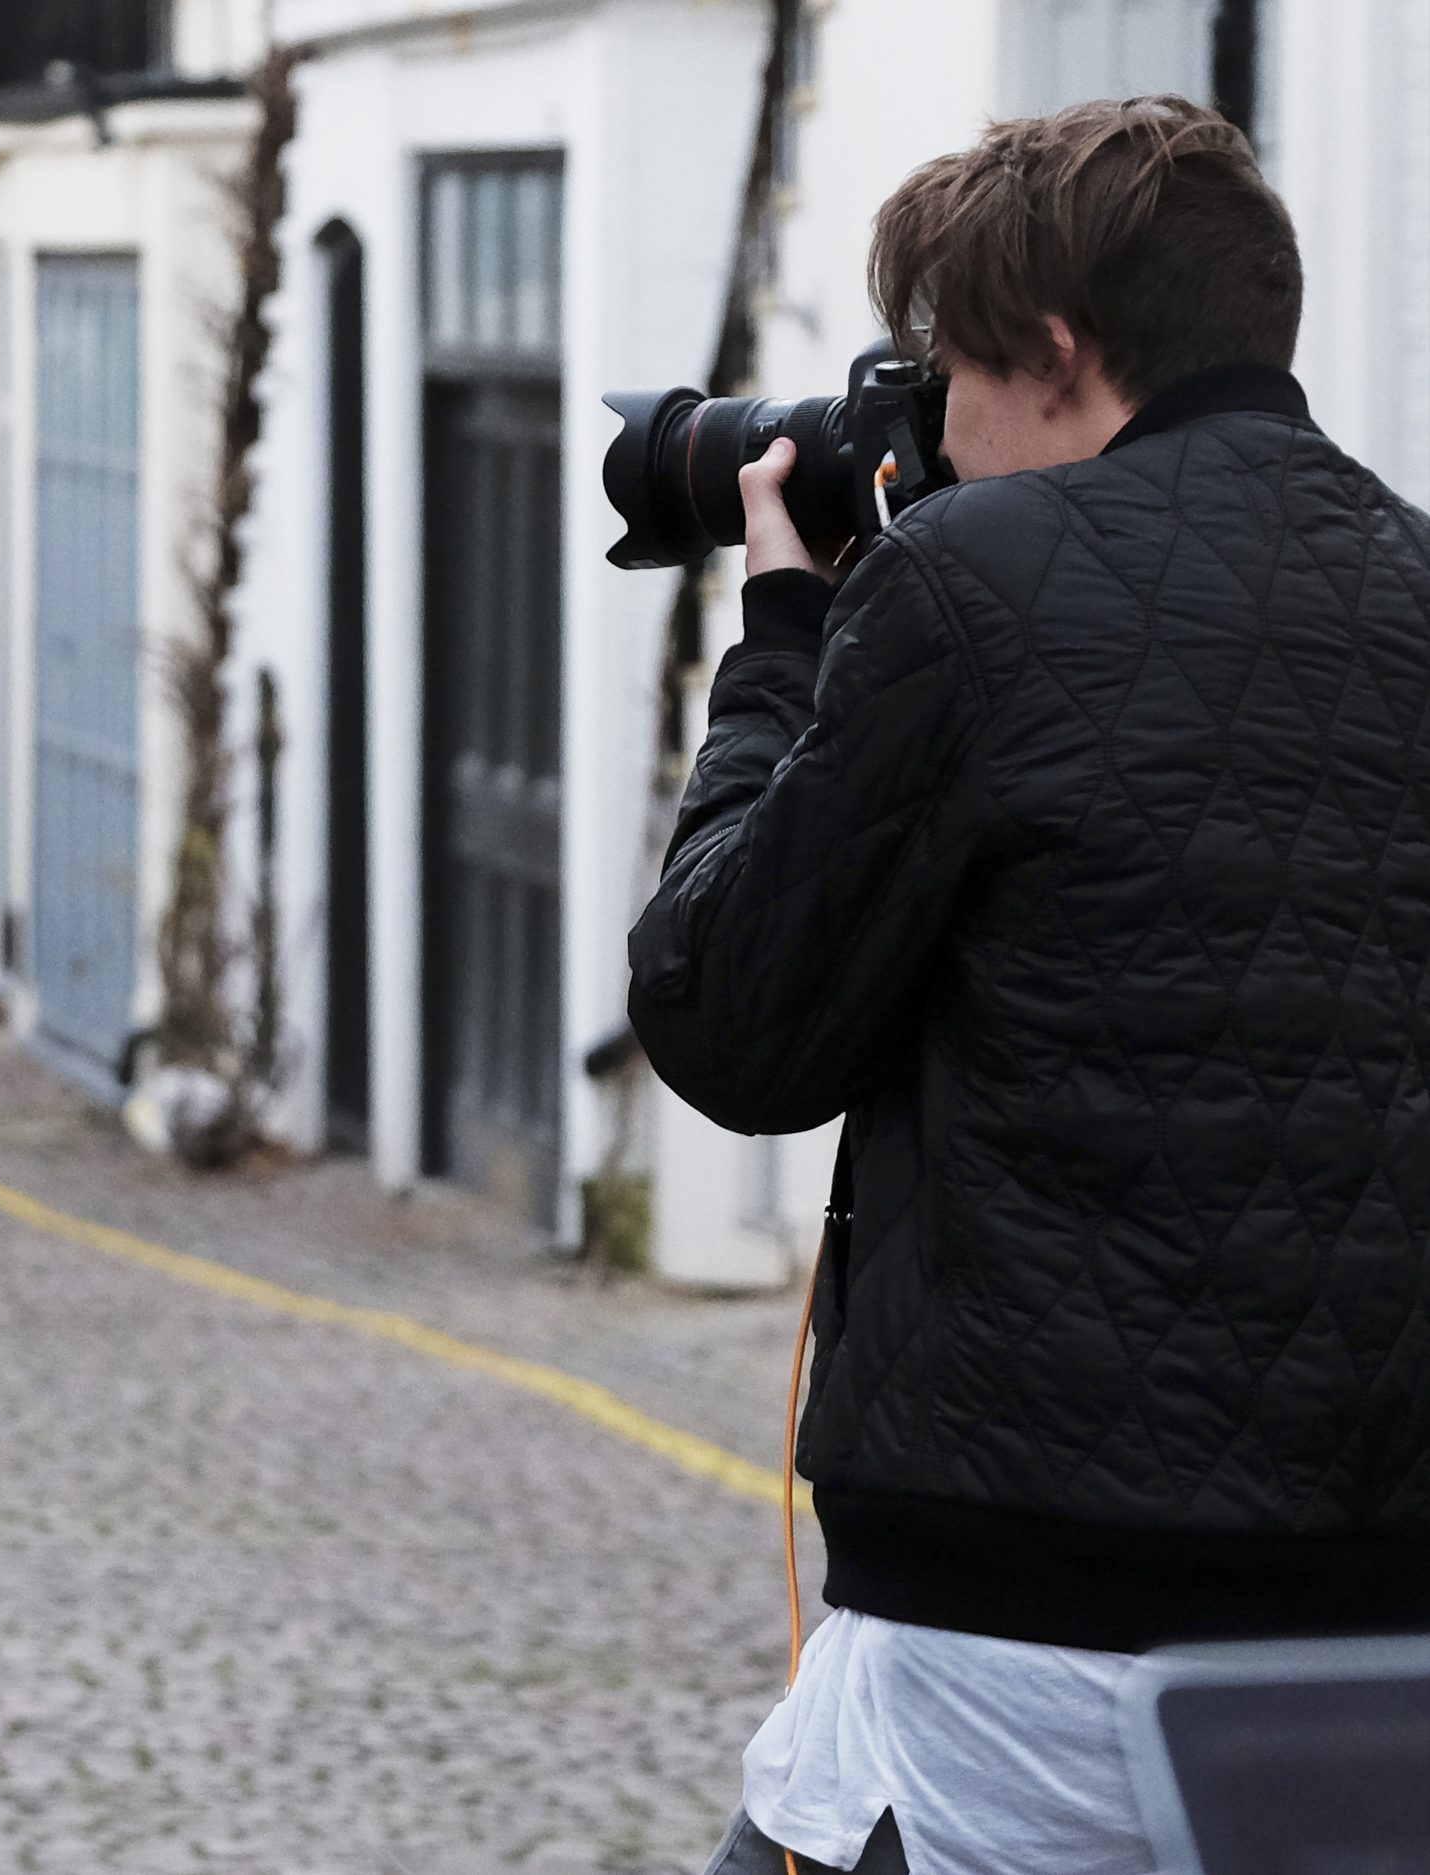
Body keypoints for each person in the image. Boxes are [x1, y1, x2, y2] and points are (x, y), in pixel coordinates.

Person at [631, 98, 1430, 1875]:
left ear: (1058, 354)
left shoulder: (964, 581)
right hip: (1382, 1635)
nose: (933, 430)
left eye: (950, 376)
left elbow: (729, 1021)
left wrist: (776, 653)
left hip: (1015, 1648)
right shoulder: (1410, 578)